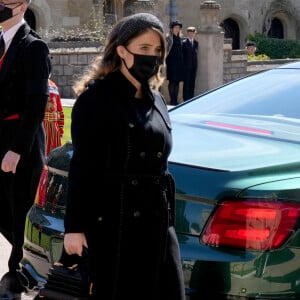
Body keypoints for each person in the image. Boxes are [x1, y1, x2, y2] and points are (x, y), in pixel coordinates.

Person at [63, 12, 185, 300]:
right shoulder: (96, 99)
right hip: (114, 225)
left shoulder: (157, 100)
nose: (152, 57)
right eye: (144, 49)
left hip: (158, 227)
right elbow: (82, 167)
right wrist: (74, 228)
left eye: (157, 51)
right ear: (121, 50)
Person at [0, 0, 51, 297]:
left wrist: (17, 149)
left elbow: (35, 104)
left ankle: (16, 277)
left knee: (19, 210)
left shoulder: (34, 47)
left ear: (23, 5)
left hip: (20, 143)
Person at [43, 78, 64, 156]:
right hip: (42, 126)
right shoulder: (53, 85)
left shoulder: (53, 85)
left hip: (52, 128)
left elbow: (59, 110)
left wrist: (60, 130)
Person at [165, 20, 184, 105]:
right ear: (172, 29)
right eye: (175, 27)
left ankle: (175, 100)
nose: (177, 29)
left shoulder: (180, 38)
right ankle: (172, 100)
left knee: (177, 82)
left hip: (179, 64)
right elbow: (166, 50)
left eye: (178, 28)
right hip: (171, 63)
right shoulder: (169, 38)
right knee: (172, 81)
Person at [182, 26, 198, 101]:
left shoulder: (196, 43)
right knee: (186, 84)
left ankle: (191, 99)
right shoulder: (184, 43)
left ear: (195, 34)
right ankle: (185, 99)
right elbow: (182, 56)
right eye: (190, 33)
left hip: (193, 67)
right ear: (187, 33)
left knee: (192, 84)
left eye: (192, 33)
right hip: (186, 68)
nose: (191, 34)